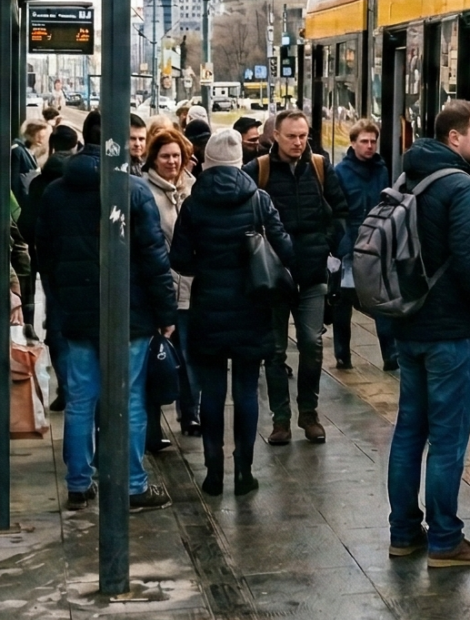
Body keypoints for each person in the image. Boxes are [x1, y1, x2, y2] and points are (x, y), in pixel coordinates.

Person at [387, 100, 470, 568]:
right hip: (451, 333)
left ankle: (403, 533)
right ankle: (445, 541)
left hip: (410, 324)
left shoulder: (408, 177)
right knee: (448, 440)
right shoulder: (461, 186)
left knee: (409, 432)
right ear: (455, 138)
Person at [33, 129, 176, 510]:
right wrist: (165, 312)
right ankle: (132, 485)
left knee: (81, 398)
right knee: (130, 398)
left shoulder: (56, 192)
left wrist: (62, 300)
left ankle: (79, 483)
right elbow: (153, 257)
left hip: (77, 314)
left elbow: (44, 253)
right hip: (129, 313)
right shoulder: (132, 189)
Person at [171, 128, 293, 496]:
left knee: (211, 392)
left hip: (208, 308)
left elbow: (179, 259)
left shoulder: (194, 203)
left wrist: (207, 266)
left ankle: (213, 473)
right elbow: (285, 249)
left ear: (207, 161)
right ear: (239, 161)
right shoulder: (258, 200)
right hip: (251, 307)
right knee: (245, 390)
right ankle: (244, 471)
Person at [256, 110, 345, 445]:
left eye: (303, 136)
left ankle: (309, 413)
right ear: (276, 136)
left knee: (311, 342)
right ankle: (280, 419)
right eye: (291, 136)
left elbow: (341, 210)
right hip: (274, 275)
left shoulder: (320, 167)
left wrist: (328, 244)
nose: (298, 142)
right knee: (275, 350)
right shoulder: (260, 170)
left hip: (311, 272)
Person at [140, 126, 201, 435]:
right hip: (157, 288)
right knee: (155, 356)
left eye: (177, 156)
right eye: (165, 156)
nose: (172, 162)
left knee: (190, 356)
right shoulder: (144, 191)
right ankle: (153, 425)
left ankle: (190, 414)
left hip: (190, 288)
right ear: (154, 158)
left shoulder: (194, 188)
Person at [330, 117, 392, 371]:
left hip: (377, 243)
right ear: (353, 143)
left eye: (373, 141)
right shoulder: (340, 172)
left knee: (382, 300)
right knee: (343, 302)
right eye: (364, 141)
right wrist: (341, 243)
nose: (369, 146)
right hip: (349, 245)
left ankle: (391, 355)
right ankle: (342, 354)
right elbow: (335, 210)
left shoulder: (381, 169)